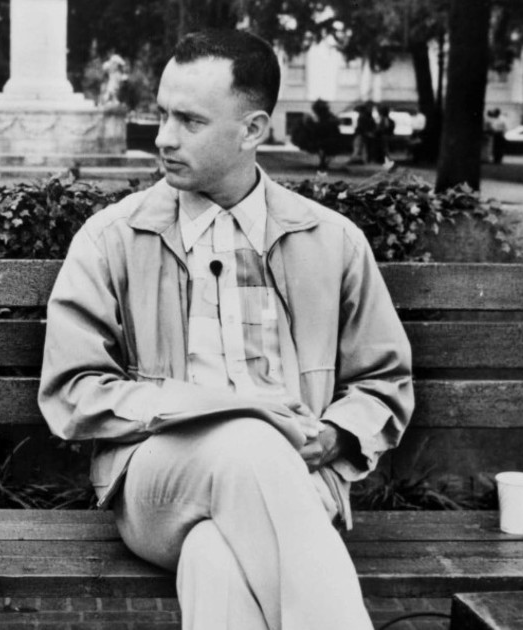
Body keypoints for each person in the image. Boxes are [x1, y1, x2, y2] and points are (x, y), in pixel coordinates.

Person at [39, 29, 413, 630]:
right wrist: (225, 410)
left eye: (189, 120)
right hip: (159, 481)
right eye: (163, 114)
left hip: (299, 477)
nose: (164, 137)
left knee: (215, 560)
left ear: (253, 130)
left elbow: (384, 381)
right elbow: (73, 392)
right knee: (247, 442)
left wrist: (334, 437)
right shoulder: (112, 238)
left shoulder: (331, 241)